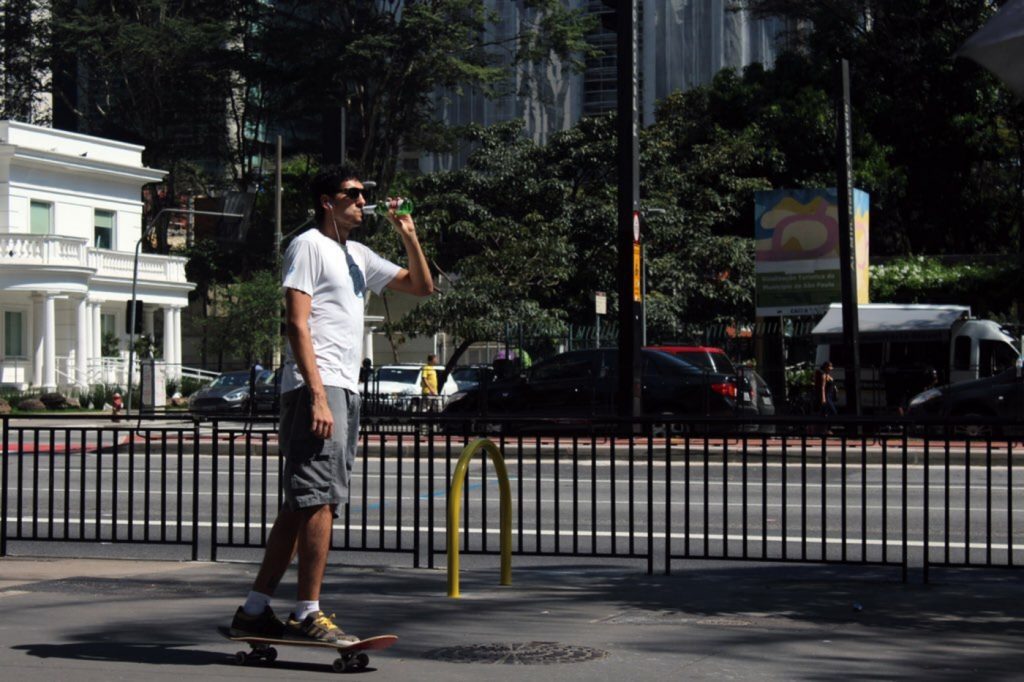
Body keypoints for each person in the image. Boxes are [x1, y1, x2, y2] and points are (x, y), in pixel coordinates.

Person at [229, 164, 433, 643]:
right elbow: (297, 324)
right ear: (327, 201)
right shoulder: (307, 246)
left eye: (365, 194)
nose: (363, 201)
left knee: (300, 505)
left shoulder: (357, 254)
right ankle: (307, 613)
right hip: (315, 387)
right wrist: (318, 395)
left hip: (344, 387)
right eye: (353, 194)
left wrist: (410, 236)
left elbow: (422, 287)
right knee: (320, 501)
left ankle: (255, 610)